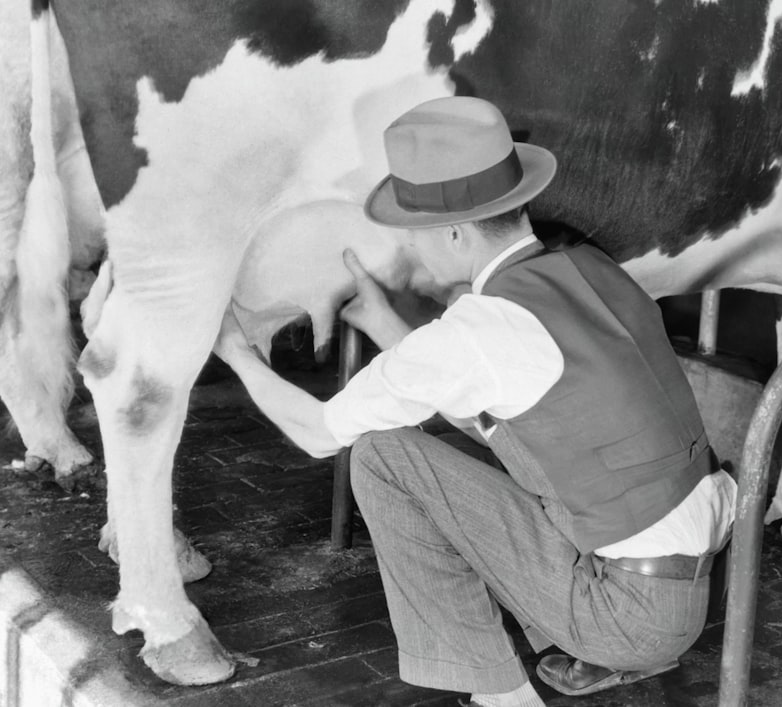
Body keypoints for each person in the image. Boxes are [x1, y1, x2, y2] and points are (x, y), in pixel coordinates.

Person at [213, 96, 737, 707]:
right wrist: (386, 326)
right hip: (697, 585)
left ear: (456, 232)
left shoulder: (481, 329)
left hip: (626, 617)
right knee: (497, 445)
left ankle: (504, 699)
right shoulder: (587, 268)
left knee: (383, 457)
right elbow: (496, 405)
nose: (412, 249)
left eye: (414, 234)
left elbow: (316, 432)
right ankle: (568, 654)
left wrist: (232, 351)